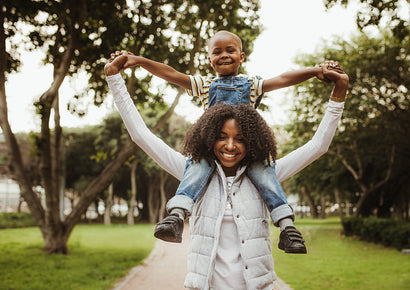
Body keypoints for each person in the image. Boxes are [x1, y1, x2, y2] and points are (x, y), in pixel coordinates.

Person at [104, 54, 348, 290]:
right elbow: (141, 135)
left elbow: (318, 146)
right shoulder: (190, 173)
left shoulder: (268, 174)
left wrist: (339, 93)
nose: (230, 145)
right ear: (209, 136)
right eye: (222, 136)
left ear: (253, 140)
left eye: (240, 138)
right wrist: (115, 79)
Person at [110, 30, 331, 254]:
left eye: (230, 50)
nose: (223, 55)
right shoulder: (205, 85)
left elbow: (283, 79)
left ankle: (287, 228)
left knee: (267, 177)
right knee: (194, 171)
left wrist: (315, 71)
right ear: (209, 60)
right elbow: (171, 74)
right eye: (217, 52)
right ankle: (176, 216)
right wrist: (139, 61)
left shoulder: (252, 84)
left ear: (242, 56)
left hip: (248, 151)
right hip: (210, 150)